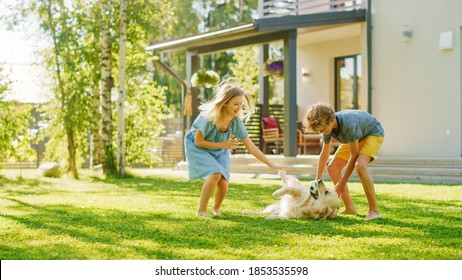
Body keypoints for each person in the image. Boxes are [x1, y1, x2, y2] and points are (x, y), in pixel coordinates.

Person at [185, 79, 288, 217]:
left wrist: (271, 164)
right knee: (215, 174)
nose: (238, 108)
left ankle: (216, 209)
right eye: (235, 104)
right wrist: (223, 144)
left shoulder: (235, 122)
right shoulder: (209, 117)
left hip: (219, 148)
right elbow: (199, 141)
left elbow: (250, 146)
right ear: (225, 102)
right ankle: (201, 210)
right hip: (197, 146)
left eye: (240, 105)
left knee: (223, 182)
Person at [303, 102, 384, 220]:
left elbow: (354, 155)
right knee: (332, 168)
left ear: (332, 120)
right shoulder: (327, 129)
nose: (323, 132)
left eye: (324, 129)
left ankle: (374, 211)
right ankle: (350, 208)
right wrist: (317, 180)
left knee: (360, 165)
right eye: (320, 131)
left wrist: (342, 182)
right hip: (354, 138)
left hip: (372, 133)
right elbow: (324, 153)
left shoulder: (349, 124)